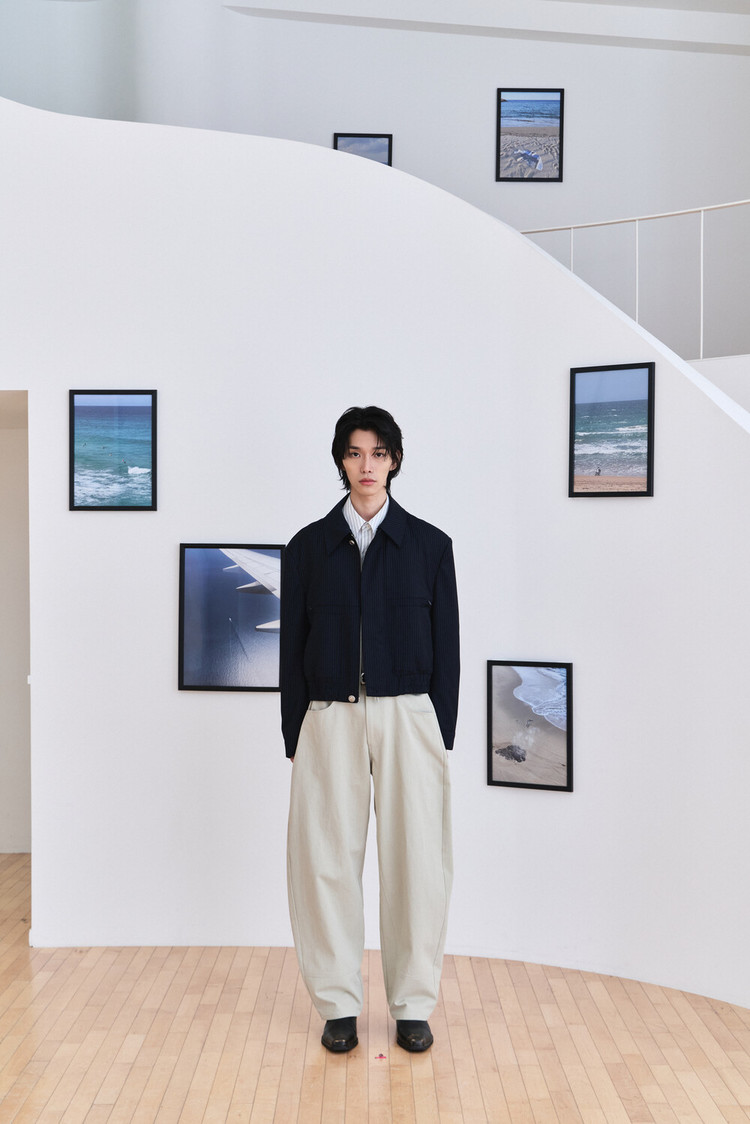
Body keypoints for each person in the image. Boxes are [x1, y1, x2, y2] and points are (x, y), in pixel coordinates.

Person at [280, 405, 460, 1054]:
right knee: (325, 861)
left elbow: (449, 648)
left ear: (395, 461)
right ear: (341, 460)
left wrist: (439, 731)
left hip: (409, 715)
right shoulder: (307, 548)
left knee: (418, 862)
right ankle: (338, 1005)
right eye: (356, 453)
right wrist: (297, 734)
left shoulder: (430, 546)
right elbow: (291, 650)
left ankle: (412, 1004)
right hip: (329, 715)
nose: (367, 466)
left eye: (379, 453)